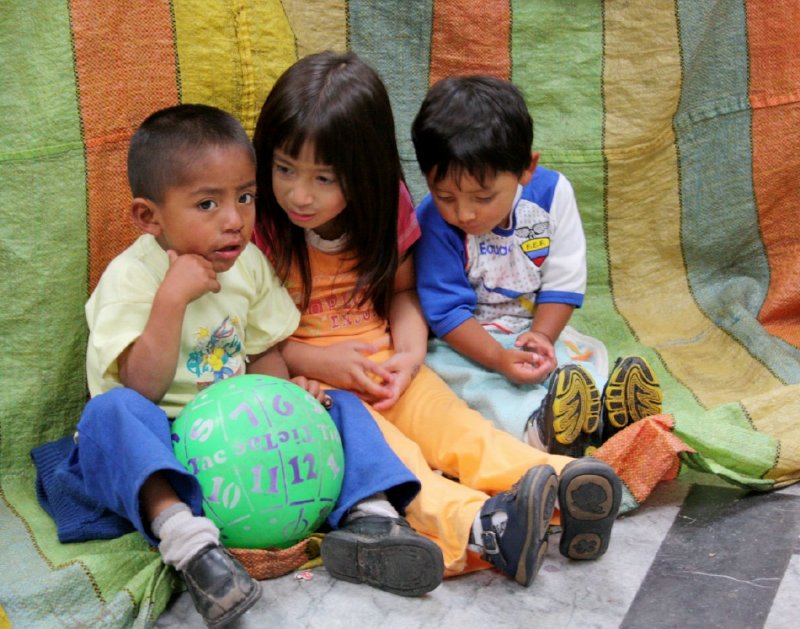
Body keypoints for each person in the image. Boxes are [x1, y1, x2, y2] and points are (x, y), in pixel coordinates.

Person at [30, 104, 445, 629]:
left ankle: (372, 521)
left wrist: (291, 407)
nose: (234, 220)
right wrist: (170, 302)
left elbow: (265, 350)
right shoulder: (131, 280)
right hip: (166, 442)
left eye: (245, 197)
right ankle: (190, 545)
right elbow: (139, 388)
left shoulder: (246, 263)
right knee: (106, 418)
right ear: (149, 216)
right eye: (207, 203)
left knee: (334, 403)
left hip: (238, 438)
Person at [252, 50, 623, 590]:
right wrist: (314, 361)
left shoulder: (387, 208)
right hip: (313, 389)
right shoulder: (259, 226)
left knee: (462, 431)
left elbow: (403, 294)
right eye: (285, 169)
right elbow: (242, 339)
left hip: (387, 367)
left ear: (365, 174)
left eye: (323, 178)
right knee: (399, 461)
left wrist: (408, 353)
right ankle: (483, 526)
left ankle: (570, 484)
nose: (299, 194)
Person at [411, 75, 663, 457]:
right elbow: (446, 312)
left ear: (526, 169)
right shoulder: (432, 220)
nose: (463, 212)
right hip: (467, 340)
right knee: (470, 384)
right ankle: (537, 429)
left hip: (534, 328)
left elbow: (563, 281)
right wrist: (496, 358)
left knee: (563, 366)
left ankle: (608, 414)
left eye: (483, 196)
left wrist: (543, 336)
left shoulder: (552, 194)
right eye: (445, 195)